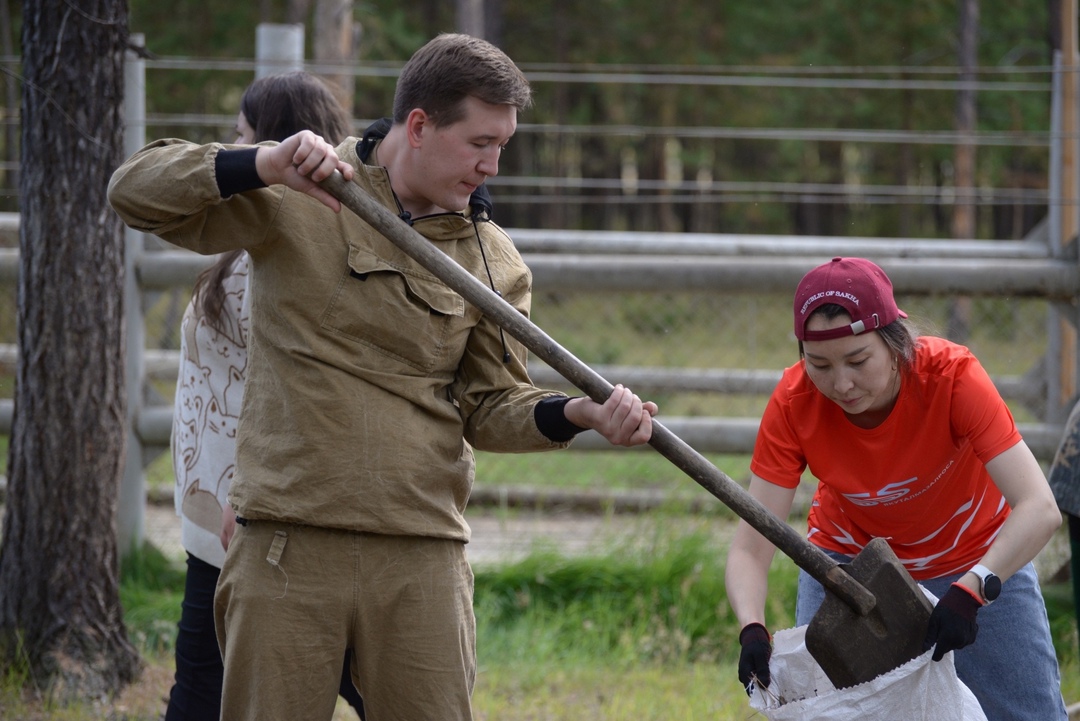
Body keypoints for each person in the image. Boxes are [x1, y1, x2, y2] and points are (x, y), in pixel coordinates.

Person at [110, 33, 657, 721]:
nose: (492, 166)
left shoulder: (495, 261)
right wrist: (261, 162)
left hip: (421, 551)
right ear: (420, 126)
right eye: (480, 143)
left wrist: (578, 413)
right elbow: (133, 193)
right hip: (287, 540)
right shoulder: (303, 188)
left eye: (503, 147)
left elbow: (489, 406)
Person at [724, 257, 1067, 719]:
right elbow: (751, 547)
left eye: (858, 360)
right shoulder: (794, 401)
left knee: (1027, 714)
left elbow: (1039, 507)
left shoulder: (952, 378)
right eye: (819, 364)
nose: (841, 384)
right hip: (850, 570)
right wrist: (752, 628)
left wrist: (973, 589)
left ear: (895, 341)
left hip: (977, 558)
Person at [164, 71, 365, 721]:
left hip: (249, 506)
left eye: (245, 135)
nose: (235, 145)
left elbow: (283, 383)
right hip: (222, 505)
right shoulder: (252, 238)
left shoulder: (282, 257)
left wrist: (242, 486)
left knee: (205, 686)